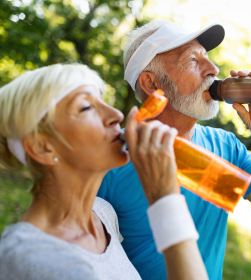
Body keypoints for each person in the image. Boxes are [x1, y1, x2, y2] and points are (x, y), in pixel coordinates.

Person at [97, 20, 251, 280]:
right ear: (152, 84)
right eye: (192, 60)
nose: (213, 69)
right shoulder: (107, 160)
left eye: (207, 58)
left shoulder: (224, 148)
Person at [0, 64, 209, 280]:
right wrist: (165, 201)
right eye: (86, 107)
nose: (116, 115)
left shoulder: (103, 216)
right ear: (42, 147)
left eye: (102, 101)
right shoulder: (32, 258)